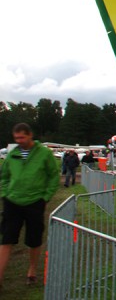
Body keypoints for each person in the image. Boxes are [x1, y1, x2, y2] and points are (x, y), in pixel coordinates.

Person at [0, 123, 59, 288]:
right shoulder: (13, 155)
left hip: (34, 202)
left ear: (30, 135)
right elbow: (3, 176)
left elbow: (53, 176)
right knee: (6, 239)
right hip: (12, 201)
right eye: (16, 138)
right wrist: (4, 194)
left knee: (34, 239)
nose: (19, 141)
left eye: (22, 137)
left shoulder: (44, 153)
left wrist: (45, 197)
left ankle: (32, 270)